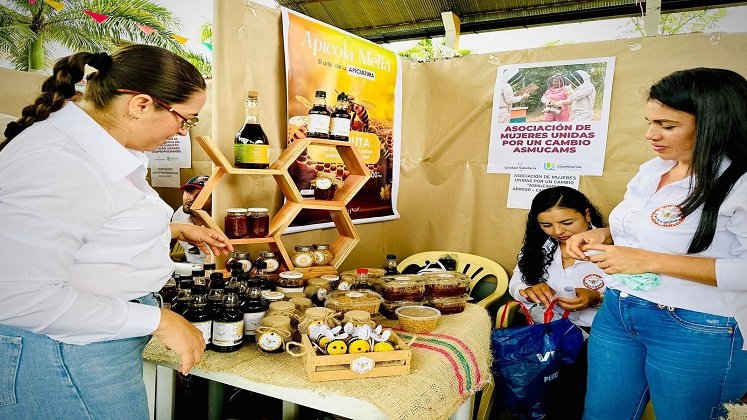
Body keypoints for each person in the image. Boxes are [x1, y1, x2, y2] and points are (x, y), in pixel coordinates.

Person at [0, 45, 233, 419]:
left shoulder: (96, 148)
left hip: (85, 347)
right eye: (185, 119)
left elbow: (90, 226)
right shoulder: (57, 160)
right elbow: (17, 295)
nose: (182, 129)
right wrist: (159, 320)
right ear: (141, 104)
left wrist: (168, 230)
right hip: (66, 353)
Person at [566, 68, 747, 420]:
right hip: (620, 309)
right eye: (650, 122)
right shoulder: (654, 168)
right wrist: (603, 234)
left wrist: (648, 260)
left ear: (715, 123)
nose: (651, 135)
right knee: (603, 414)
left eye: (667, 125)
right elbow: (643, 227)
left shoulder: (739, 182)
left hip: (698, 325)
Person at [508, 186, 606, 419]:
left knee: (577, 399)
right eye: (547, 225)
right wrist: (528, 290)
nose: (558, 231)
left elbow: (631, 294)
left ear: (587, 214)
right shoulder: (538, 248)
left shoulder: (611, 247)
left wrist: (597, 298)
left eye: (568, 222)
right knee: (540, 397)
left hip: (593, 339)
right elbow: (515, 285)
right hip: (544, 337)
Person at [171, 175, 212, 264]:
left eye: (200, 195)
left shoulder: (220, 220)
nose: (192, 199)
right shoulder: (180, 214)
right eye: (189, 192)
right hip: (187, 266)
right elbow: (169, 242)